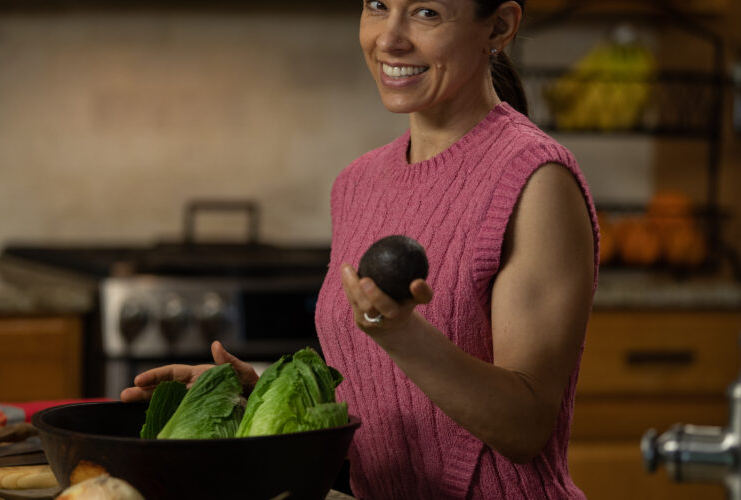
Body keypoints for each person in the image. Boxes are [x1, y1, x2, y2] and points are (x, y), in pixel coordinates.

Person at [121, 0, 599, 498]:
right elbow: (383, 399)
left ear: (499, 26)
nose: (389, 38)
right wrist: (258, 392)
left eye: (427, 12)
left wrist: (401, 333)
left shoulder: (536, 180)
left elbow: (524, 427)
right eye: (377, 5)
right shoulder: (358, 184)